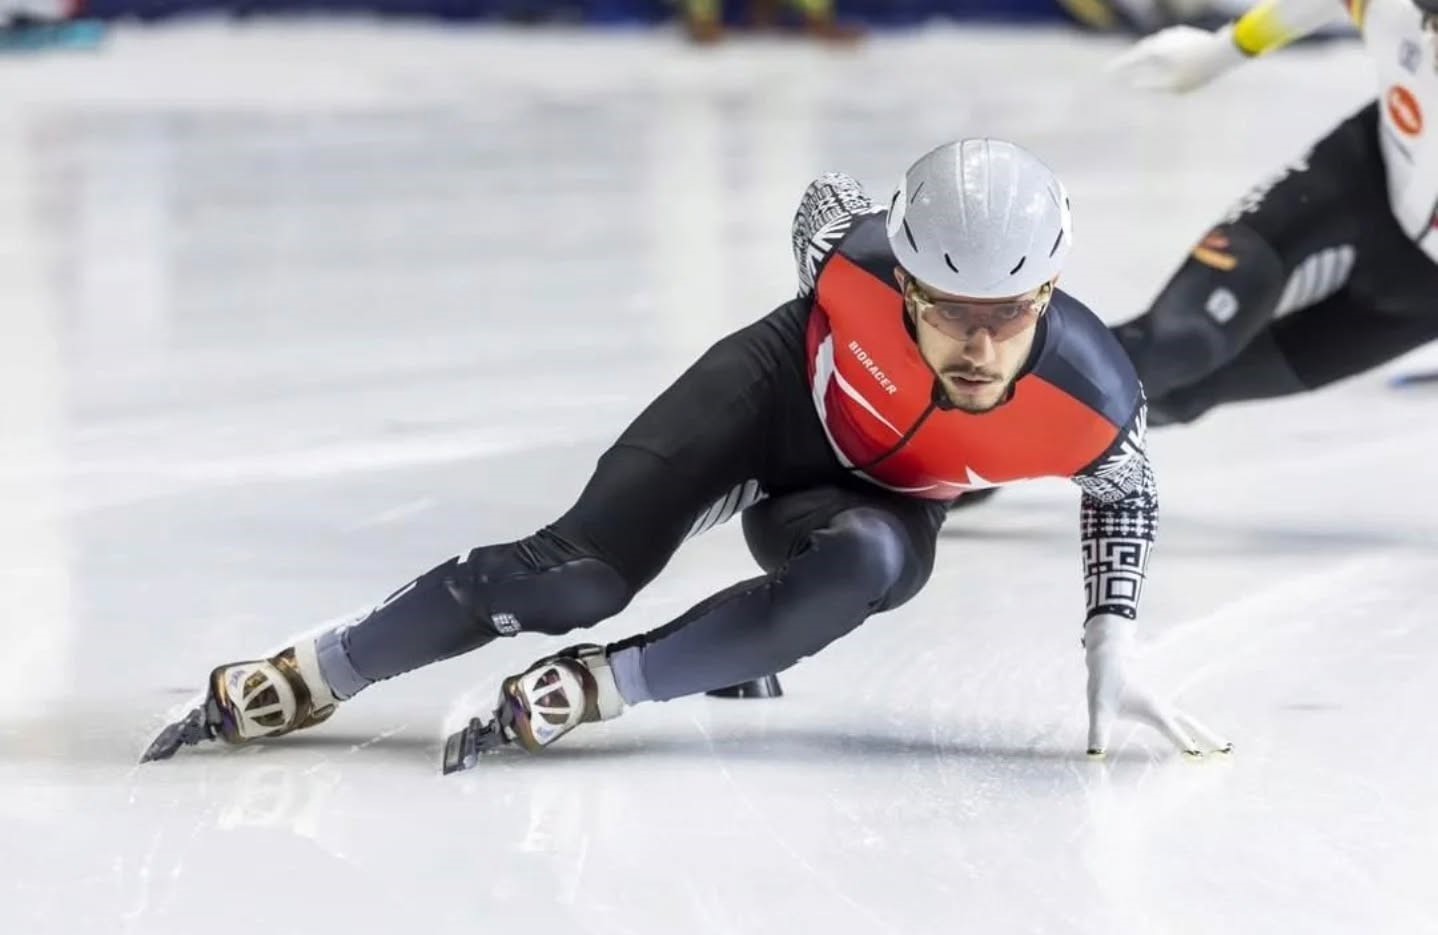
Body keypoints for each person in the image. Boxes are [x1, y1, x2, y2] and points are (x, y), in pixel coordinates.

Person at [142, 139, 1228, 771]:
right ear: (901, 281)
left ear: (1047, 293)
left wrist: (1109, 641)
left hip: (870, 504)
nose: (982, 345)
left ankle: (607, 685)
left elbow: (1124, 495)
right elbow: (817, 202)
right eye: (948, 311)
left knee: (869, 568)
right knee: (572, 575)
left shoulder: (1091, 396)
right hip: (764, 401)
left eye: (1010, 312)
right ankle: (313, 667)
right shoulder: (845, 262)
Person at [1101, 0, 1438, 425]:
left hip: (1424, 296)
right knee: (1176, 345)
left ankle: (1005, 446)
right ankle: (994, 433)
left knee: (1182, 396)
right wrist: (1222, 51)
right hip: (1361, 178)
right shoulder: (1394, 13)